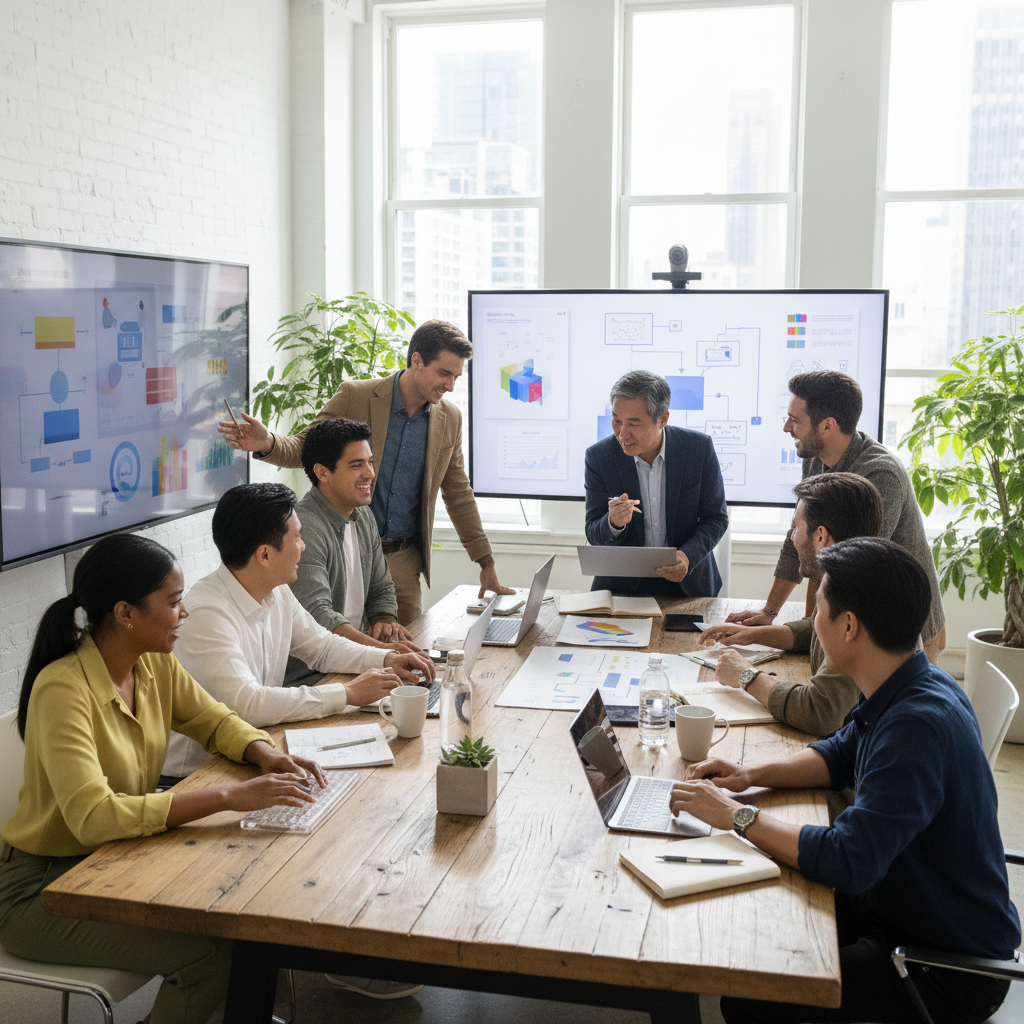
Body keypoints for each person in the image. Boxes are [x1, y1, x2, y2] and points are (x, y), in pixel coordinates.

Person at [672, 537, 1019, 1024]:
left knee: (753, 995)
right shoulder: (911, 681)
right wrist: (750, 774)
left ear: (850, 626)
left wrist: (736, 816)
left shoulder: (916, 727)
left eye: (818, 610)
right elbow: (840, 752)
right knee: (766, 911)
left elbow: (849, 859)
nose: (813, 623)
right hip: (903, 905)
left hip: (944, 968)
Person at [0, 533, 326, 1024]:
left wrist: (263, 753)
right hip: (43, 890)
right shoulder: (62, 690)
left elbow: (214, 719)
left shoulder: (153, 663)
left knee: (253, 928)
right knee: (211, 957)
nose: (185, 613)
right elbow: (93, 819)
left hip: (116, 860)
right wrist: (229, 796)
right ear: (126, 612)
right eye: (174, 602)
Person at [219, 320, 513, 624]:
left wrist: (485, 562)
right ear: (417, 361)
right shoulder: (356, 396)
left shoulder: (449, 419)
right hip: (348, 549)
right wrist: (269, 442)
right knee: (339, 644)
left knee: (409, 652)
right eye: (444, 373)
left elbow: (458, 493)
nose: (450, 385)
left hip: (403, 559)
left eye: (456, 377)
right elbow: (308, 447)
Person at [162, 483, 433, 781]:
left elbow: (322, 646)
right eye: (298, 537)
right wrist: (348, 693)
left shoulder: (275, 591)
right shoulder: (206, 613)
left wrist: (386, 658)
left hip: (253, 755)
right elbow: (247, 704)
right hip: (195, 777)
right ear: (264, 555)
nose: (303, 546)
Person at [727, 370, 946, 663]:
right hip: (856, 617)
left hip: (902, 627)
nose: (786, 428)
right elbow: (800, 538)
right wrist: (769, 613)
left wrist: (809, 631)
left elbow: (848, 567)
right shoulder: (815, 459)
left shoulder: (880, 474)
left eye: (795, 420)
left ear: (827, 426)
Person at [698, 472, 883, 736]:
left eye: (796, 528)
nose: (793, 538)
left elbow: (819, 712)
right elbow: (817, 629)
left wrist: (745, 676)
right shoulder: (852, 576)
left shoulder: (854, 600)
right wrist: (752, 634)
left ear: (820, 537)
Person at [285, 417, 422, 687]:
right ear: (322, 473)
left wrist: (384, 620)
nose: (370, 474)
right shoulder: (305, 527)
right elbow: (320, 618)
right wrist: (384, 654)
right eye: (356, 465)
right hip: (314, 678)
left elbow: (381, 587)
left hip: (356, 665)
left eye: (369, 462)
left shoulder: (363, 515)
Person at [583, 370, 729, 597]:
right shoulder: (599, 456)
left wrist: (687, 556)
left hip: (688, 585)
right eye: (616, 421)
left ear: (663, 419)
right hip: (622, 589)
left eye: (634, 423)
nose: (622, 434)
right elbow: (594, 533)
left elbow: (716, 518)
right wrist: (613, 523)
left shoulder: (698, 449)